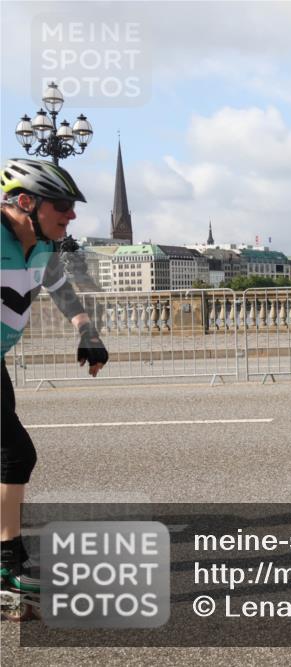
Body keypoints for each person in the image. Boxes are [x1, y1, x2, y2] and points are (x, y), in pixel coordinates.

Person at [0, 158, 108, 605]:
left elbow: (61, 289)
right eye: (62, 204)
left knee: (10, 455)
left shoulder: (41, 245)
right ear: (26, 202)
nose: (73, 215)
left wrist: (88, 331)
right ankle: (7, 566)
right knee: (15, 453)